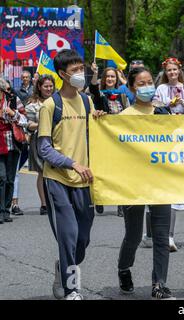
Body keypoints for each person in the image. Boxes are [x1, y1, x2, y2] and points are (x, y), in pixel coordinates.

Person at [37, 49, 105, 300]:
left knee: (82, 240)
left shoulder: (87, 101)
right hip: (57, 180)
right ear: (62, 74)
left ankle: (62, 268)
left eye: (81, 69)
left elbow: (94, 135)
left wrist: (99, 118)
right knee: (68, 237)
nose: (80, 74)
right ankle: (71, 289)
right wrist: (72, 163)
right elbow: (43, 148)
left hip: (84, 182)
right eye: (75, 70)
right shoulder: (50, 105)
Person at [117, 66, 174, 300]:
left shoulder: (163, 114)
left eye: (150, 82)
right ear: (131, 87)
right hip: (134, 184)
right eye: (141, 83)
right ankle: (124, 268)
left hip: (160, 182)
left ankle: (159, 283)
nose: (147, 87)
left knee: (161, 236)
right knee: (133, 235)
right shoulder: (122, 119)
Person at [151, 57, 184, 252]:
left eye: (174, 70)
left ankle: (169, 234)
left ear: (179, 70)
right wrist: (170, 105)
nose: (172, 73)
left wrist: (183, 103)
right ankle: (158, 232)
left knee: (178, 185)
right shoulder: (161, 90)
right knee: (164, 181)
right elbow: (156, 108)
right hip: (167, 136)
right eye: (168, 71)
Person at [89, 62, 130, 216]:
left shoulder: (123, 95)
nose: (111, 79)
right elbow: (93, 88)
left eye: (113, 76)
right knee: (102, 171)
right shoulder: (99, 94)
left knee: (120, 171)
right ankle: (99, 199)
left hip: (120, 139)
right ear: (104, 79)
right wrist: (94, 74)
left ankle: (120, 204)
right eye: (108, 76)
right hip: (103, 138)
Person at [25, 74, 56, 216]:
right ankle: (44, 204)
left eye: (51, 86)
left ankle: (57, 202)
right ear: (39, 87)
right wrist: (42, 124)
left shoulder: (59, 101)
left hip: (58, 140)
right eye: (46, 86)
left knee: (57, 172)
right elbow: (28, 125)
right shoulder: (32, 104)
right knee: (42, 172)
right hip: (39, 140)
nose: (49, 89)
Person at [0, 78, 27, 224]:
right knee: (2, 177)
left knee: (10, 179)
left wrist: (13, 114)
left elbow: (25, 119)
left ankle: (6, 210)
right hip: (0, 145)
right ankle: (0, 211)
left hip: (13, 144)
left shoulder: (13, 100)